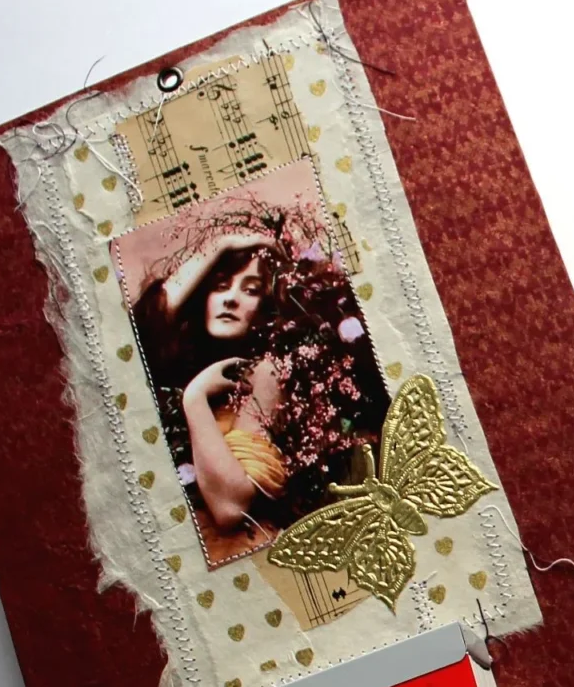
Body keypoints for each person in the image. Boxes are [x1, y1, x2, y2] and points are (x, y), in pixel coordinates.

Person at [132, 224, 387, 561]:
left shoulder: (267, 372)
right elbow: (144, 326)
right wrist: (223, 245)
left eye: (251, 290)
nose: (230, 299)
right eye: (220, 286)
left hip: (232, 552)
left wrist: (195, 400)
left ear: (268, 306)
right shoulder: (189, 365)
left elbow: (229, 507)